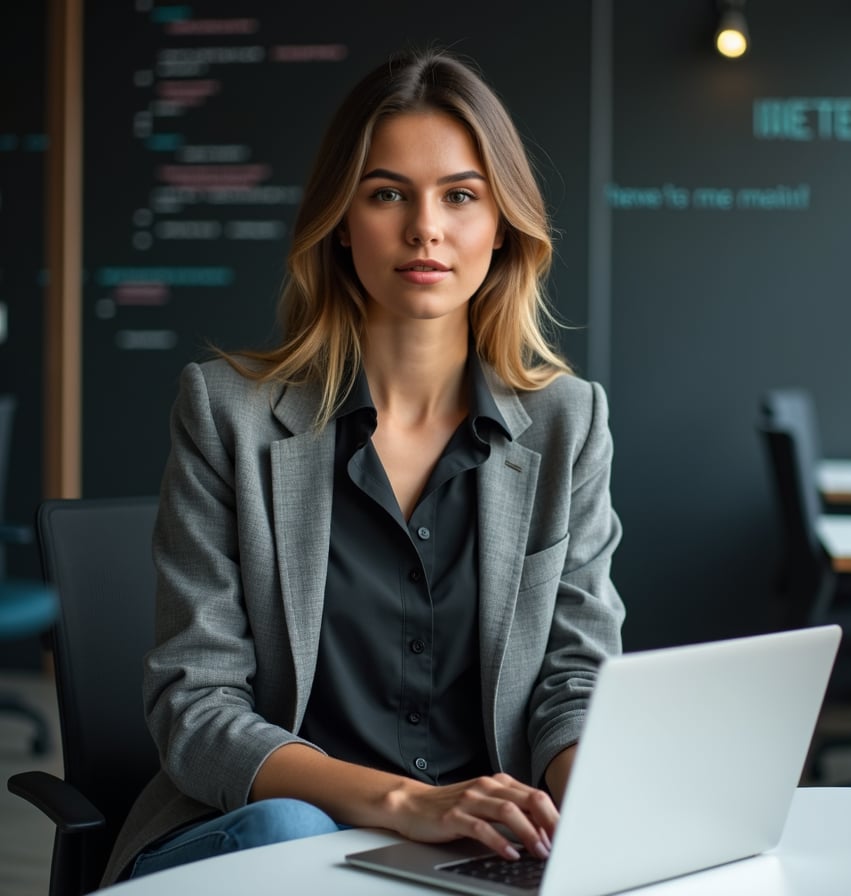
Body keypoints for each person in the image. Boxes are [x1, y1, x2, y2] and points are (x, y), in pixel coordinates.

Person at [101, 47, 624, 886]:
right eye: (388, 194)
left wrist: (584, 810)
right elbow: (196, 710)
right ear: (342, 220)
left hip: (478, 852)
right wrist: (403, 802)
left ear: (503, 224)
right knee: (289, 827)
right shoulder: (224, 412)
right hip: (264, 841)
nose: (426, 227)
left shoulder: (568, 423)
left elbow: (573, 679)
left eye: (461, 195)